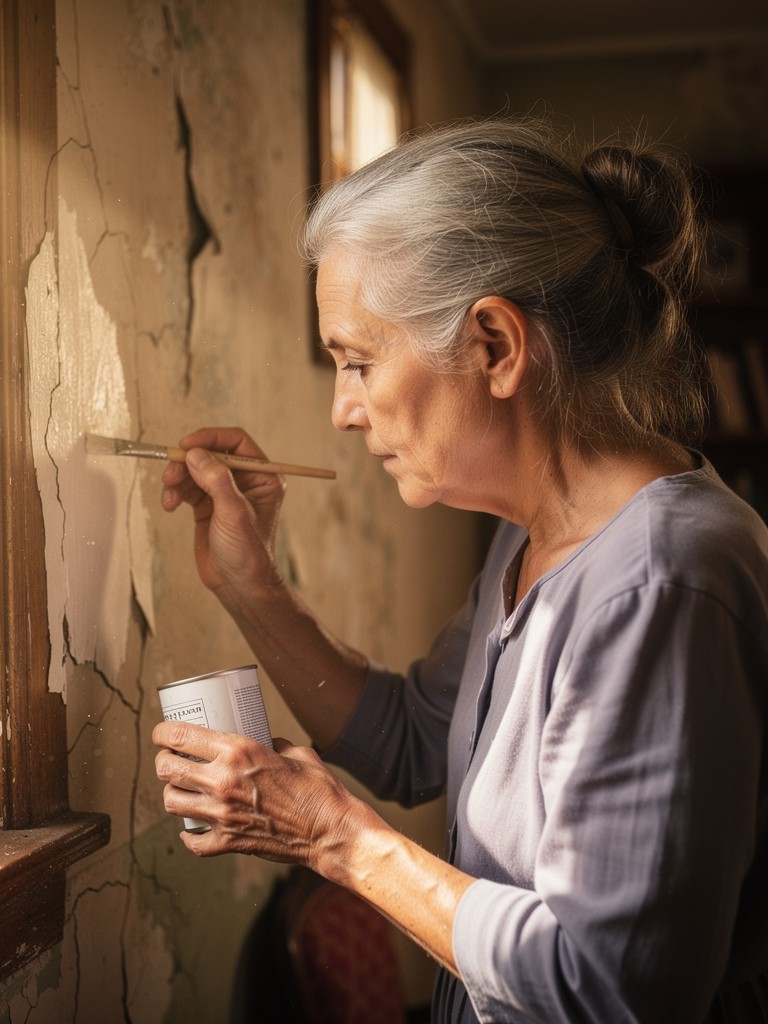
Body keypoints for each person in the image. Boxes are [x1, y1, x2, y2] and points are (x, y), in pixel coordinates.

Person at [151, 116, 768, 1023]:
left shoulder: (661, 582)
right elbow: (409, 740)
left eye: (359, 361)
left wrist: (336, 838)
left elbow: (612, 987)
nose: (343, 411)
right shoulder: (531, 537)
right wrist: (250, 586)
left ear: (495, 347)